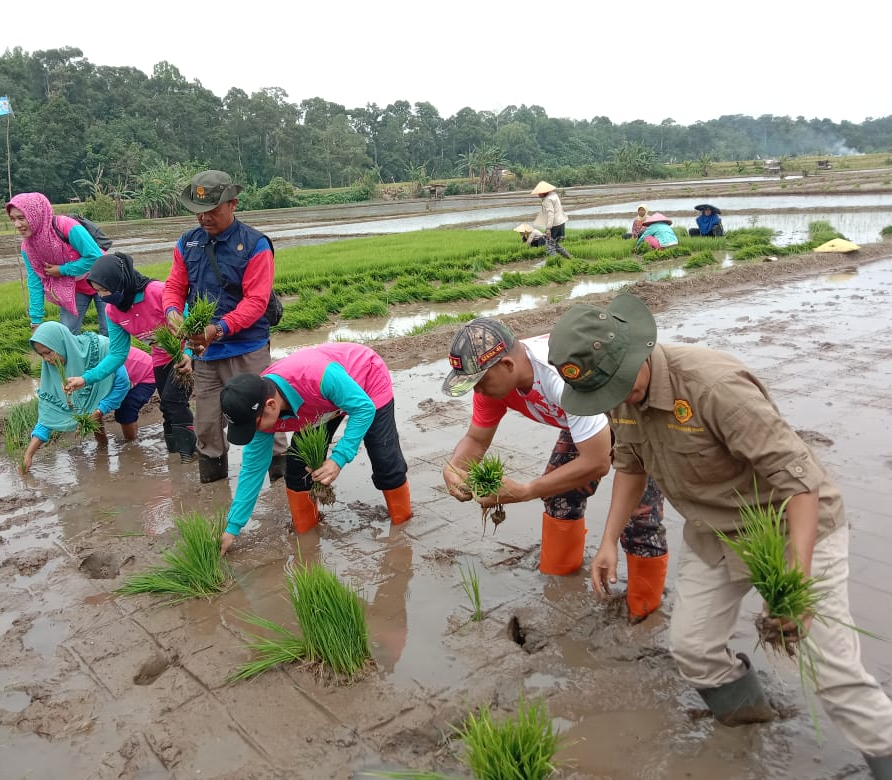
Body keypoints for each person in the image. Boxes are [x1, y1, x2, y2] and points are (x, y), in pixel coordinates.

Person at [547, 293, 892, 776]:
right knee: (692, 648)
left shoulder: (713, 386)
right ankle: (750, 728)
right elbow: (630, 464)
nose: (617, 399)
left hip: (791, 522)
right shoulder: (620, 395)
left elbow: (800, 482)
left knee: (832, 674)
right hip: (715, 533)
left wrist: (794, 584)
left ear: (637, 355)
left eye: (619, 385)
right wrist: (608, 542)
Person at [440, 318, 668, 620]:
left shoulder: (559, 376)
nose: (478, 391)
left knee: (639, 520)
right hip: (587, 421)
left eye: (480, 381)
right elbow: (476, 439)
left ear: (507, 365)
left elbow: (597, 461)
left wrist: (527, 490)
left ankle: (643, 612)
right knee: (560, 497)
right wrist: (454, 468)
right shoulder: (494, 388)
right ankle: (559, 581)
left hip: (634, 412)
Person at [218, 343, 411, 555]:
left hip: (365, 382)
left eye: (252, 426)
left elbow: (363, 409)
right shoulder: (256, 408)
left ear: (271, 406)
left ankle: (403, 527)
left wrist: (338, 459)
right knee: (298, 469)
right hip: (323, 404)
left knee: (385, 460)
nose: (254, 432)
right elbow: (253, 470)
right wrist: (232, 528)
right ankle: (307, 535)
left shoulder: (316, 377)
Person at [163, 170, 288, 483]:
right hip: (205, 354)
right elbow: (174, 286)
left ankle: (283, 486)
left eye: (213, 210)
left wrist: (217, 329)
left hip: (246, 349)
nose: (204, 218)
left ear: (233, 204)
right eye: (199, 211)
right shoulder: (187, 242)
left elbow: (256, 302)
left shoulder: (255, 244)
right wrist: (172, 311)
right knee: (206, 424)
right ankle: (214, 490)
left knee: (263, 417)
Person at [65, 251, 197, 461]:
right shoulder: (113, 311)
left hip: (187, 352)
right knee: (166, 405)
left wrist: (189, 353)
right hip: (161, 357)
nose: (102, 296)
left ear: (121, 281)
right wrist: (85, 379)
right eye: (98, 291)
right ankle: (175, 453)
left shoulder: (158, 292)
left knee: (174, 401)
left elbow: (191, 325)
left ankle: (189, 455)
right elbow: (117, 354)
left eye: (105, 289)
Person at [21, 321, 130, 473]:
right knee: (92, 410)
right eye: (41, 355)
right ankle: (104, 447)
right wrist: (28, 455)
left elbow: (123, 384)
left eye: (48, 352)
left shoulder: (100, 348)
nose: (46, 359)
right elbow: (48, 415)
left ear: (61, 344)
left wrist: (100, 410)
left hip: (138, 379)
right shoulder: (52, 370)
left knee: (128, 417)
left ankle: (132, 448)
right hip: (114, 387)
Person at [7, 192, 108, 336]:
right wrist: (36, 321)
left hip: (104, 280)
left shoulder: (65, 226)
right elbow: (35, 282)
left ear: (35, 214)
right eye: (13, 219)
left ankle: (111, 358)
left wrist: (62, 270)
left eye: (21, 218)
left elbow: (95, 257)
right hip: (74, 288)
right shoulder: (28, 248)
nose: (17, 225)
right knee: (67, 335)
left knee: (109, 332)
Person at [530, 181, 572, 259]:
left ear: (545, 192)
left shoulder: (547, 200)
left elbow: (550, 213)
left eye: (540, 193)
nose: (538, 194)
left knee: (549, 247)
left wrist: (548, 228)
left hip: (554, 225)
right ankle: (571, 258)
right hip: (561, 223)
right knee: (555, 244)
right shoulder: (554, 195)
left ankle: (555, 262)